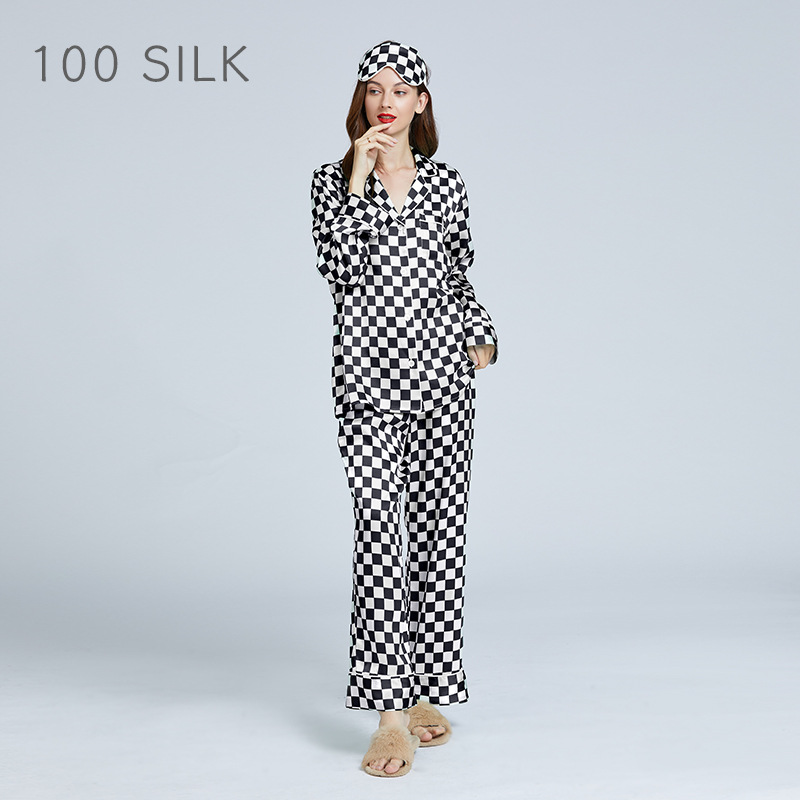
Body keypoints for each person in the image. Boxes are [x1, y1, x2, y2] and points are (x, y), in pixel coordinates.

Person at [310, 40, 498, 777]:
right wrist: (359, 179)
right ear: (361, 101)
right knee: (381, 541)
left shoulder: (446, 183)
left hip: (444, 382)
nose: (385, 101)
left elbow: (458, 274)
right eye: (373, 89)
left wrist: (480, 335)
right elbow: (340, 271)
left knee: (437, 541)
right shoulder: (331, 182)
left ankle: (424, 692)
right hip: (367, 384)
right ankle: (389, 717)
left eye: (399, 90)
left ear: (421, 103)